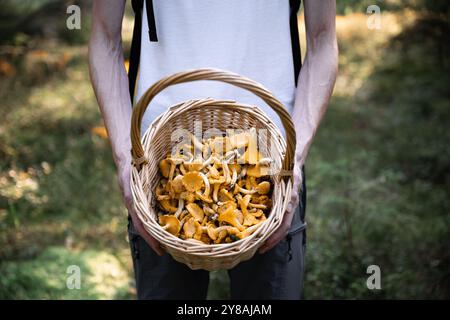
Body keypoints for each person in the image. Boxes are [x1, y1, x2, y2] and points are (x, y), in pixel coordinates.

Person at [88, 0, 337, 300]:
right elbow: (104, 38)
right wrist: (126, 158)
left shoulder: (281, 168)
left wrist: (293, 160)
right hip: (161, 168)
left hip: (273, 166)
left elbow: (323, 40)